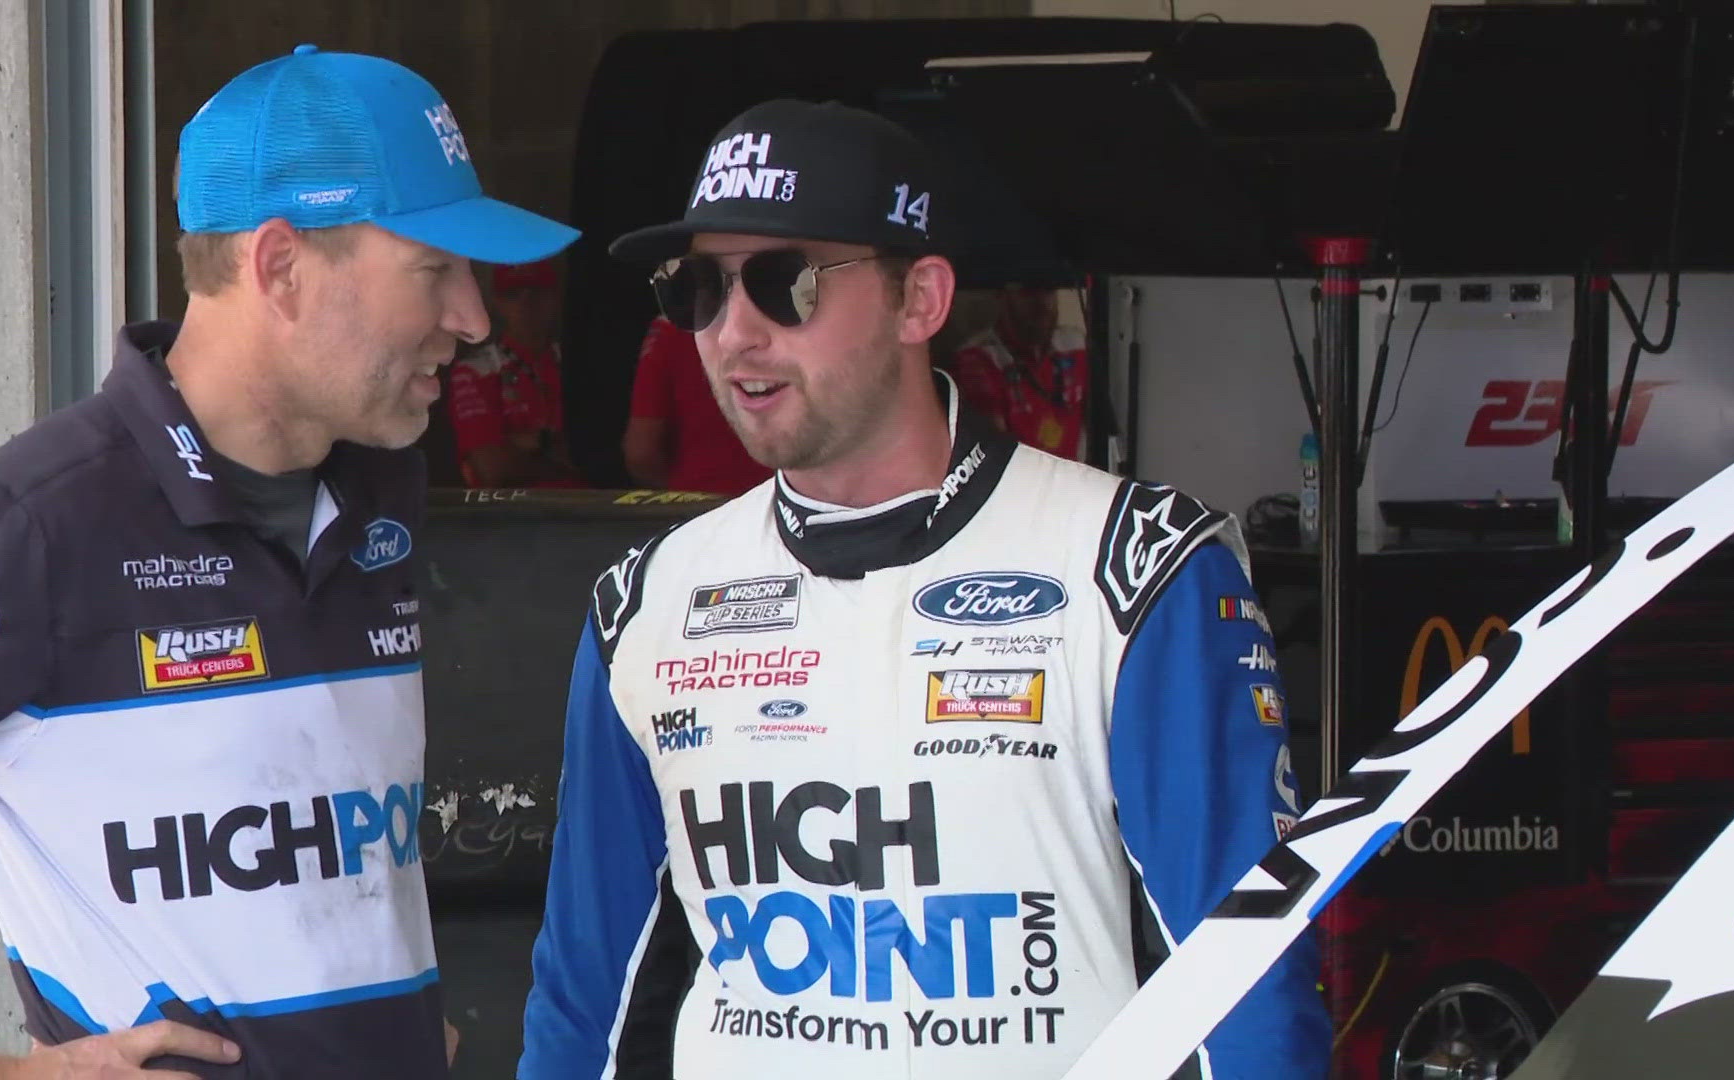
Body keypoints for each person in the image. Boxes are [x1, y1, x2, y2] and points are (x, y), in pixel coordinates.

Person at [517, 99, 1329, 1079]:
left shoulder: (1135, 568)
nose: (734, 334)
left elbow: (1245, 983)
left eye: (785, 282)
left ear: (922, 301)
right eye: (700, 288)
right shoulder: (644, 607)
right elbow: (587, 1006)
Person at [0, 43, 577, 1079]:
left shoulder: (376, 484)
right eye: (433, 270)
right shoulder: (33, 525)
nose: (474, 321)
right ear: (279, 266)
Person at [446, 258, 584, 487]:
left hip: (588, 510)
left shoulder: (581, 362)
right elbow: (493, 468)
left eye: (537, 291)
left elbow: (603, 456)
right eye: (513, 293)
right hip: (513, 516)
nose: (526, 303)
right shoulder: (476, 370)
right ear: (496, 302)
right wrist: (552, 445)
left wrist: (526, 444)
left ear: (556, 297)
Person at [621, 314, 773, 494]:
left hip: (696, 500)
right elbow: (641, 452)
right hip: (781, 502)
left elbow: (641, 452)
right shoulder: (672, 330)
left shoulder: (673, 328)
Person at [949, 284, 1089, 461]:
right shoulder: (979, 358)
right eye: (1028, 292)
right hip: (1019, 482)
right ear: (1002, 295)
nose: (1041, 303)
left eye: (1048, 290)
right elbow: (994, 451)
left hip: (1073, 479)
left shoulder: (1076, 346)